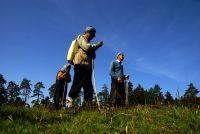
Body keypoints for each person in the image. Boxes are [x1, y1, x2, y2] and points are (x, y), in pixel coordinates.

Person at [67, 26, 103, 108]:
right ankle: (70, 103)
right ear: (88, 32)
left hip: (88, 67)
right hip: (80, 64)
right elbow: (86, 47)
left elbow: (93, 56)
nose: (94, 36)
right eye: (93, 34)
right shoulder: (80, 38)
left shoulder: (89, 42)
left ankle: (88, 105)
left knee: (88, 87)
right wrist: (97, 45)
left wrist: (93, 50)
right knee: (77, 84)